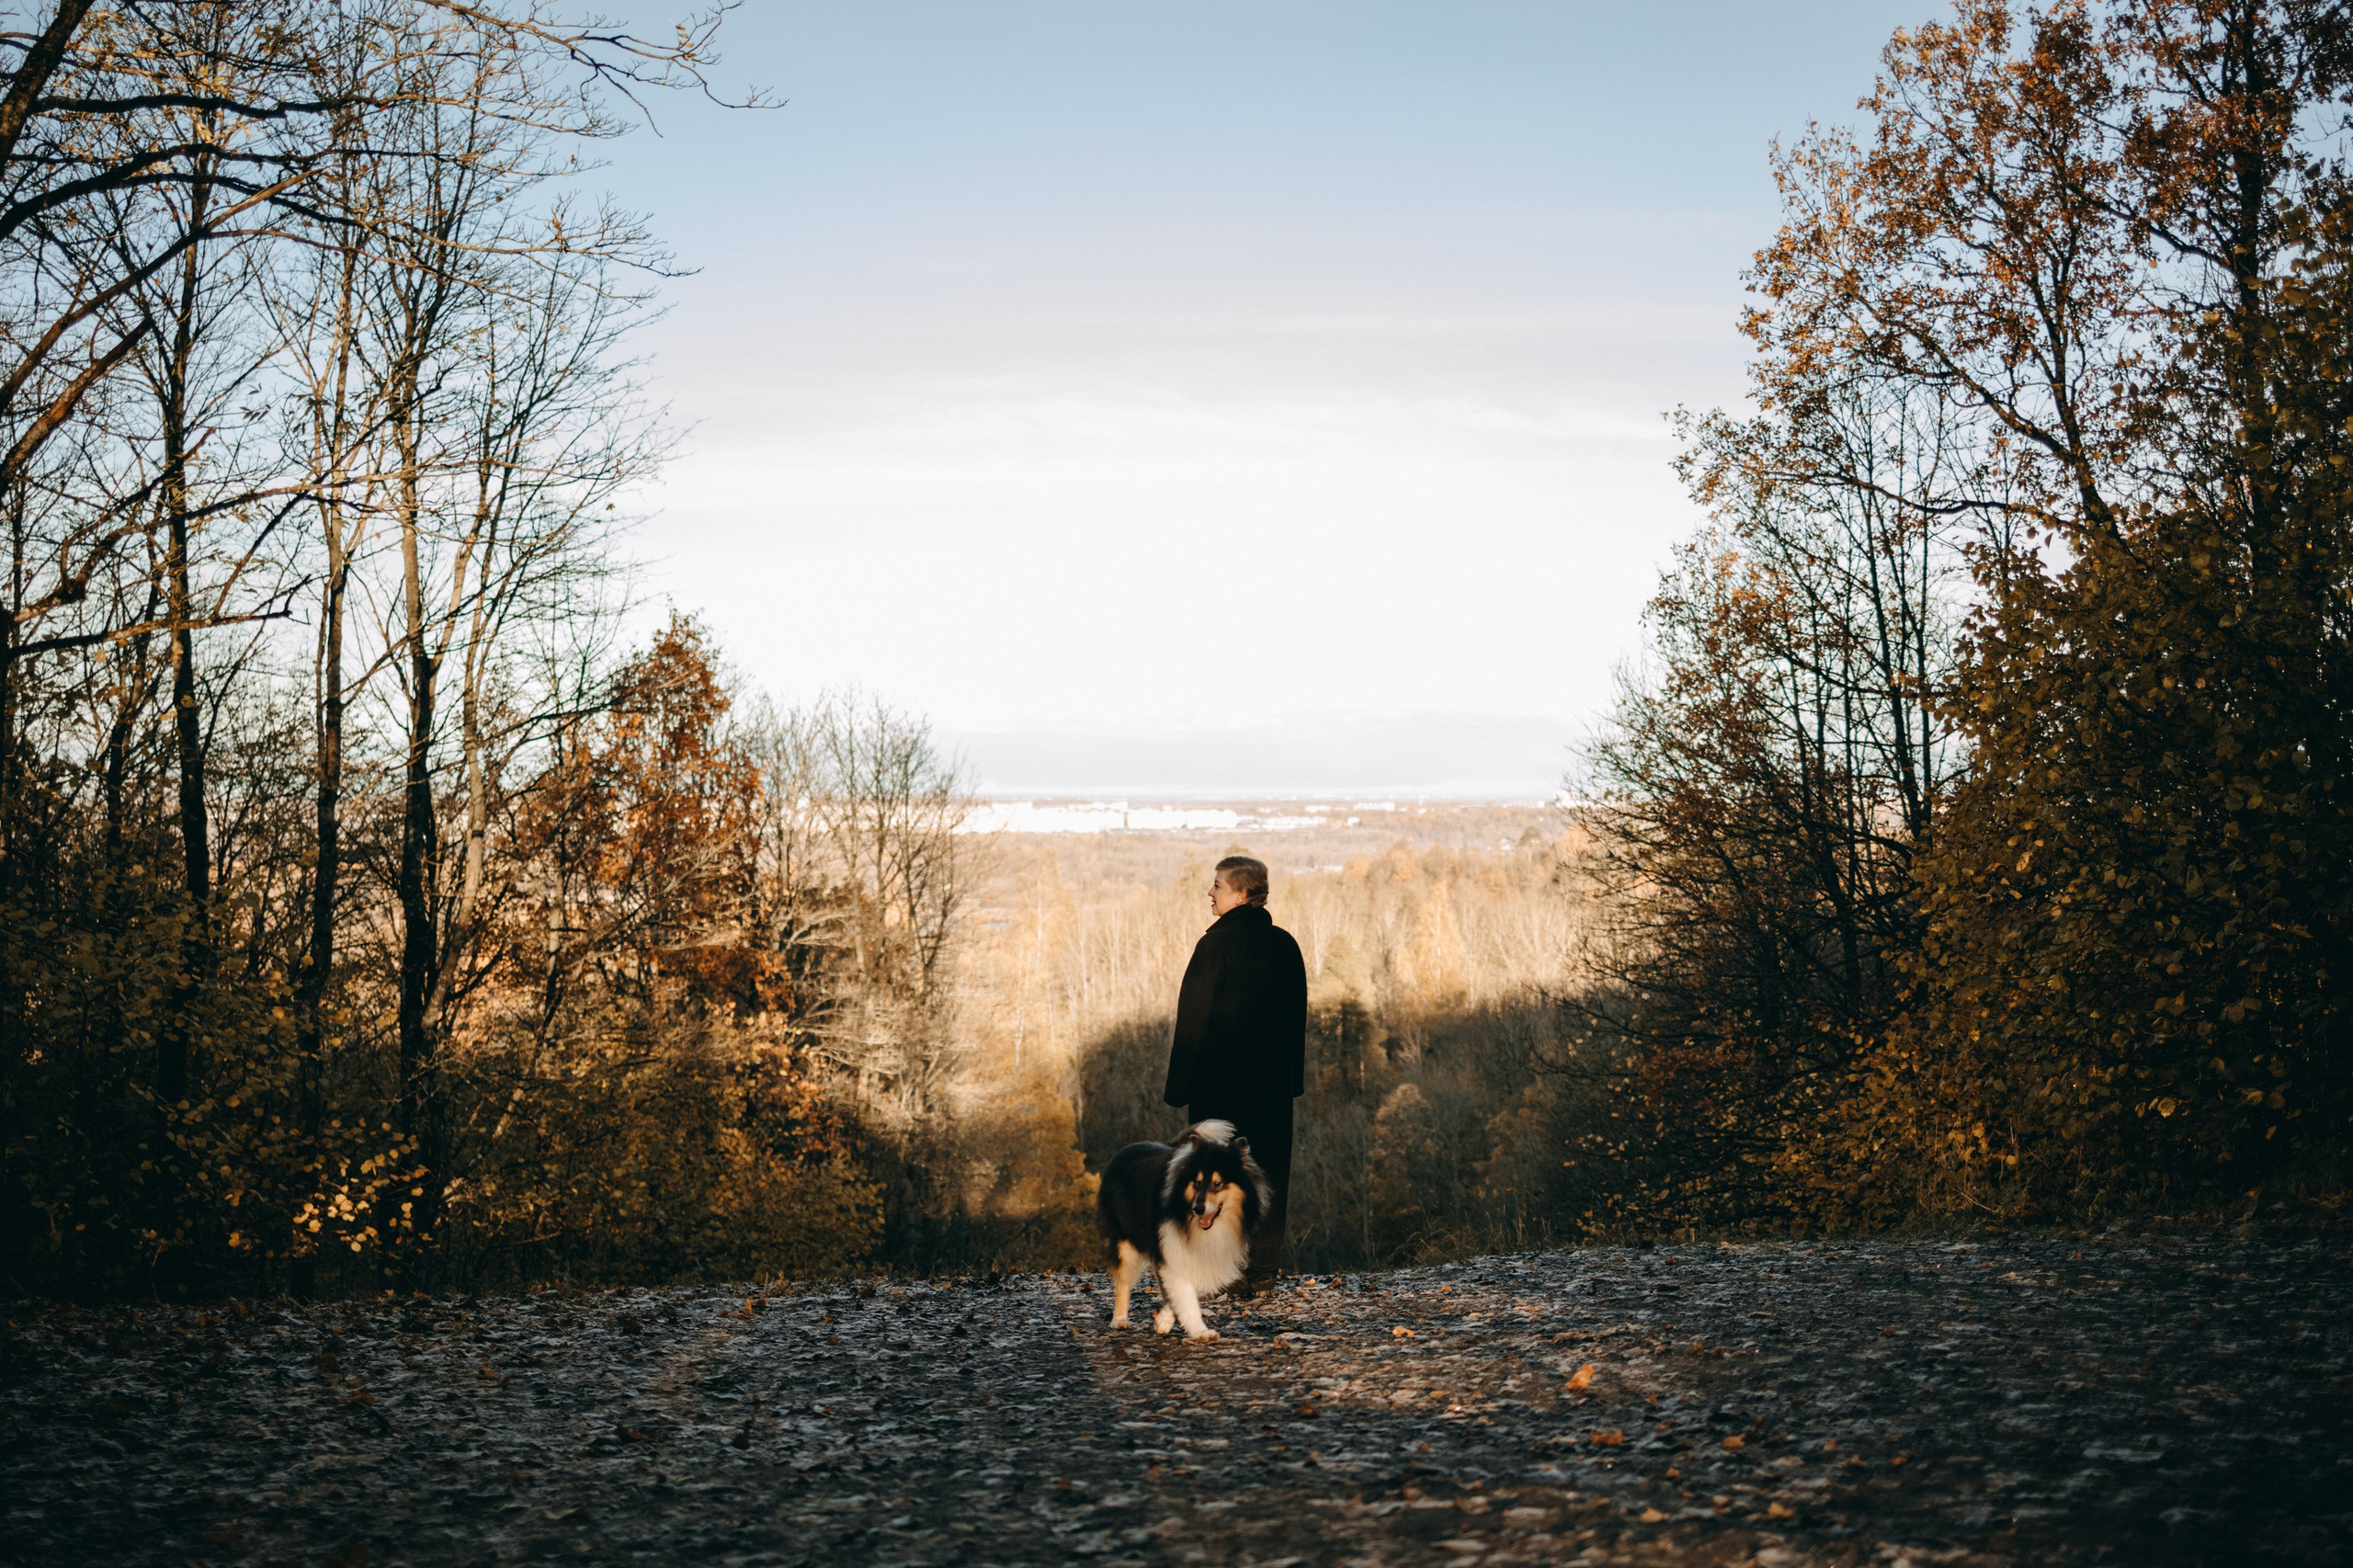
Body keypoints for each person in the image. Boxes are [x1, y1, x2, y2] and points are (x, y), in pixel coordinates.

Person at [1163, 853, 1307, 1294]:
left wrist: (1179, 1088)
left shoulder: (1215, 946)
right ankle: (1262, 1270)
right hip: (1273, 1090)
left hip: (1219, 1089)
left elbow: (1193, 1020)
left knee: (1216, 1178)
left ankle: (1224, 1273)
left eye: (1218, 886)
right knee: (1268, 1174)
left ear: (1242, 894)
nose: (1210, 892)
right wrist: (1292, 1081)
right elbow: (1296, 1019)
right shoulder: (1286, 945)